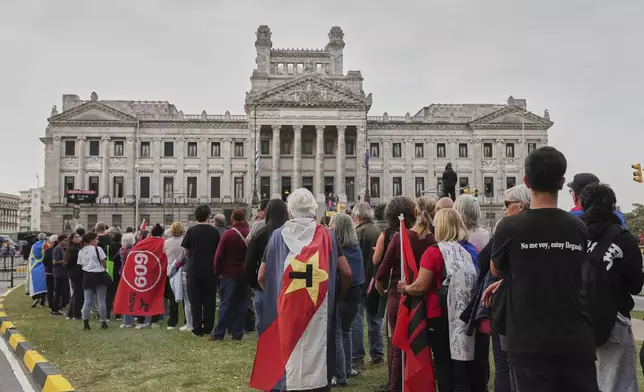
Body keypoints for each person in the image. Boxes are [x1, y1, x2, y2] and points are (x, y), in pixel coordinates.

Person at [490, 146, 598, 391]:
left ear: (526, 181)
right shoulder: (578, 227)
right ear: (561, 182)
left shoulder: (509, 227)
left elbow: (497, 269)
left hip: (529, 342)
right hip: (575, 340)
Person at [253, 188, 352, 391]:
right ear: (314, 210)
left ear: (290, 211)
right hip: (319, 305)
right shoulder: (328, 235)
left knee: (288, 350)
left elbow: (261, 276)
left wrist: (275, 295)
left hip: (287, 307)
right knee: (319, 351)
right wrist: (336, 297)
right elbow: (347, 272)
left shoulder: (277, 237)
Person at [579, 183, 644, 391]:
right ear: (613, 207)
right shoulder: (623, 238)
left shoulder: (574, 235)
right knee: (618, 385)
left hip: (578, 319)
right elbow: (635, 286)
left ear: (582, 204)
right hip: (613, 320)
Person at [375, 196, 437, 392]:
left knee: (398, 348)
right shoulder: (432, 237)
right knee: (421, 346)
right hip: (424, 296)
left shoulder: (400, 237)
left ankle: (397, 387)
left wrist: (379, 285)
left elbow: (382, 269)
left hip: (399, 296)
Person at [330, 213, 365, 387]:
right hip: (356, 293)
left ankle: (339, 374)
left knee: (337, 333)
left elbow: (343, 273)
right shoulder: (356, 247)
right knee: (347, 331)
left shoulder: (335, 248)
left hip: (341, 293)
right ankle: (349, 367)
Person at [244, 199, 289, 331]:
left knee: (264, 333)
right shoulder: (291, 235)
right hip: (287, 287)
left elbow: (249, 265)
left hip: (264, 287)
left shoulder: (260, 235)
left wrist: (255, 285)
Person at [351, 202, 384, 369]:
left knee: (357, 321)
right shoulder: (378, 232)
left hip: (358, 282)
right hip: (374, 281)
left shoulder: (355, 233)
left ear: (358, 216)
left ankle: (357, 357)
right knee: (375, 319)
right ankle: (377, 354)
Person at [182, 205, 221, 336]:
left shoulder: (191, 231)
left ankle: (197, 328)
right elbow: (218, 251)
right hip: (210, 270)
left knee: (195, 300)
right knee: (209, 300)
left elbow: (186, 251)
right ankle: (208, 327)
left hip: (194, 269)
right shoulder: (215, 232)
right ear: (209, 216)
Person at [212, 209, 250, 341]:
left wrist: (217, 272)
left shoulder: (228, 234)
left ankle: (219, 333)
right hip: (244, 273)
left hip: (229, 273)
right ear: (244, 218)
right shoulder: (249, 233)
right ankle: (237, 333)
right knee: (242, 303)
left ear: (232, 219)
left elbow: (219, 255)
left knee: (225, 303)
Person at [135, 224, 166, 329]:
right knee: (157, 296)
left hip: (144, 273)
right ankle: (154, 321)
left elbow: (133, 253)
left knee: (142, 296)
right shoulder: (163, 243)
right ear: (162, 233)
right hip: (158, 273)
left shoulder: (143, 242)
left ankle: (140, 321)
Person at [79, 232, 110, 330]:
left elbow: (81, 265)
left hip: (88, 275)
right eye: (96, 239)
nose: (98, 241)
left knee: (87, 300)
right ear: (91, 240)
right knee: (101, 299)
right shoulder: (98, 249)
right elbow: (104, 262)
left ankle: (86, 322)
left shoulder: (81, 251)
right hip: (99, 274)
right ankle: (103, 321)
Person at [164, 222, 191, 331]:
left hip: (171, 270)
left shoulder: (166, 242)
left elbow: (165, 253)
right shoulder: (186, 241)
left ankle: (172, 322)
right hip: (184, 269)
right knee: (186, 298)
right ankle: (186, 320)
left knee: (172, 298)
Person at [118, 233, 137, 328]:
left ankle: (127, 321)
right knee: (133, 297)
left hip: (124, 275)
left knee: (127, 298)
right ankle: (133, 319)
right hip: (133, 275)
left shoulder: (122, 250)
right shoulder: (133, 251)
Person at [65, 231, 84, 320]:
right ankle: (76, 314)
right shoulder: (74, 250)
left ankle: (70, 314)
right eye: (75, 237)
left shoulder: (74, 248)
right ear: (72, 239)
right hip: (75, 273)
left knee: (76, 292)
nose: (78, 238)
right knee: (78, 293)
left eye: (78, 236)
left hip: (74, 272)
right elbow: (70, 262)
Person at [51, 234, 68, 316]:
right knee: (58, 292)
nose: (66, 242)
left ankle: (57, 308)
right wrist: (64, 261)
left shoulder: (61, 248)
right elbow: (54, 261)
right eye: (64, 241)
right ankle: (55, 309)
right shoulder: (57, 249)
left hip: (62, 272)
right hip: (58, 273)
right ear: (60, 241)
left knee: (60, 291)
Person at [42, 234, 58, 309]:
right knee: (57, 289)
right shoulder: (60, 249)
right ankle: (57, 304)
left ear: (52, 242)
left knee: (50, 289)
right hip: (57, 271)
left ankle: (51, 305)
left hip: (49, 271)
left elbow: (44, 261)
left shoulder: (48, 250)